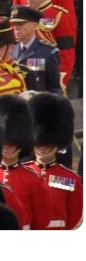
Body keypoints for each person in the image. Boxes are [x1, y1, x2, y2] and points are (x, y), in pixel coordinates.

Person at [0, 94, 51, 230]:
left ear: (21, 142)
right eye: (3, 141)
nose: (5, 146)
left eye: (10, 142)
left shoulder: (34, 179)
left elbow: (42, 219)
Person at [25, 93, 83, 230]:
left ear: (57, 143)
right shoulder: (22, 174)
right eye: (38, 143)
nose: (42, 147)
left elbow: (73, 216)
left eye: (48, 143)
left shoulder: (70, 180)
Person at [14, 0, 76, 89]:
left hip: (47, 75)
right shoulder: (20, 15)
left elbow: (67, 52)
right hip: (20, 77)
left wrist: (60, 80)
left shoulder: (59, 16)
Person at [9, 5, 62, 94]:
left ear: (35, 26)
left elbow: (55, 90)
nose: (16, 27)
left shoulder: (48, 52)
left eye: (21, 23)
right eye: (14, 24)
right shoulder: (11, 50)